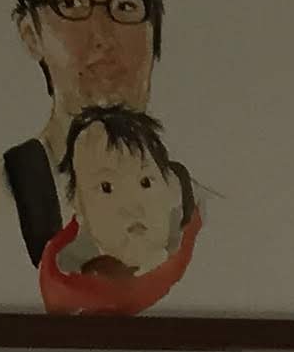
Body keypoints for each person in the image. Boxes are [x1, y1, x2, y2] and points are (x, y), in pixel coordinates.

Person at [0, 0, 162, 270]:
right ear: (29, 32)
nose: (103, 37)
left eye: (125, 5)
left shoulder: (197, 202)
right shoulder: (3, 202)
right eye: (69, 3)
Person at [37, 105, 202, 316]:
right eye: (106, 188)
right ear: (78, 205)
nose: (132, 206)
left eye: (145, 182)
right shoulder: (68, 291)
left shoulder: (195, 247)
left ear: (170, 187)